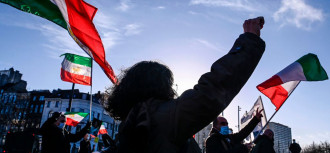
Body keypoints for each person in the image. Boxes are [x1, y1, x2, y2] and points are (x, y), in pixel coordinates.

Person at [104, 17, 266, 153]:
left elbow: (238, 135)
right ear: (161, 86)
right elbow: (212, 90)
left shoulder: (131, 124)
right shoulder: (163, 117)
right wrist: (249, 40)